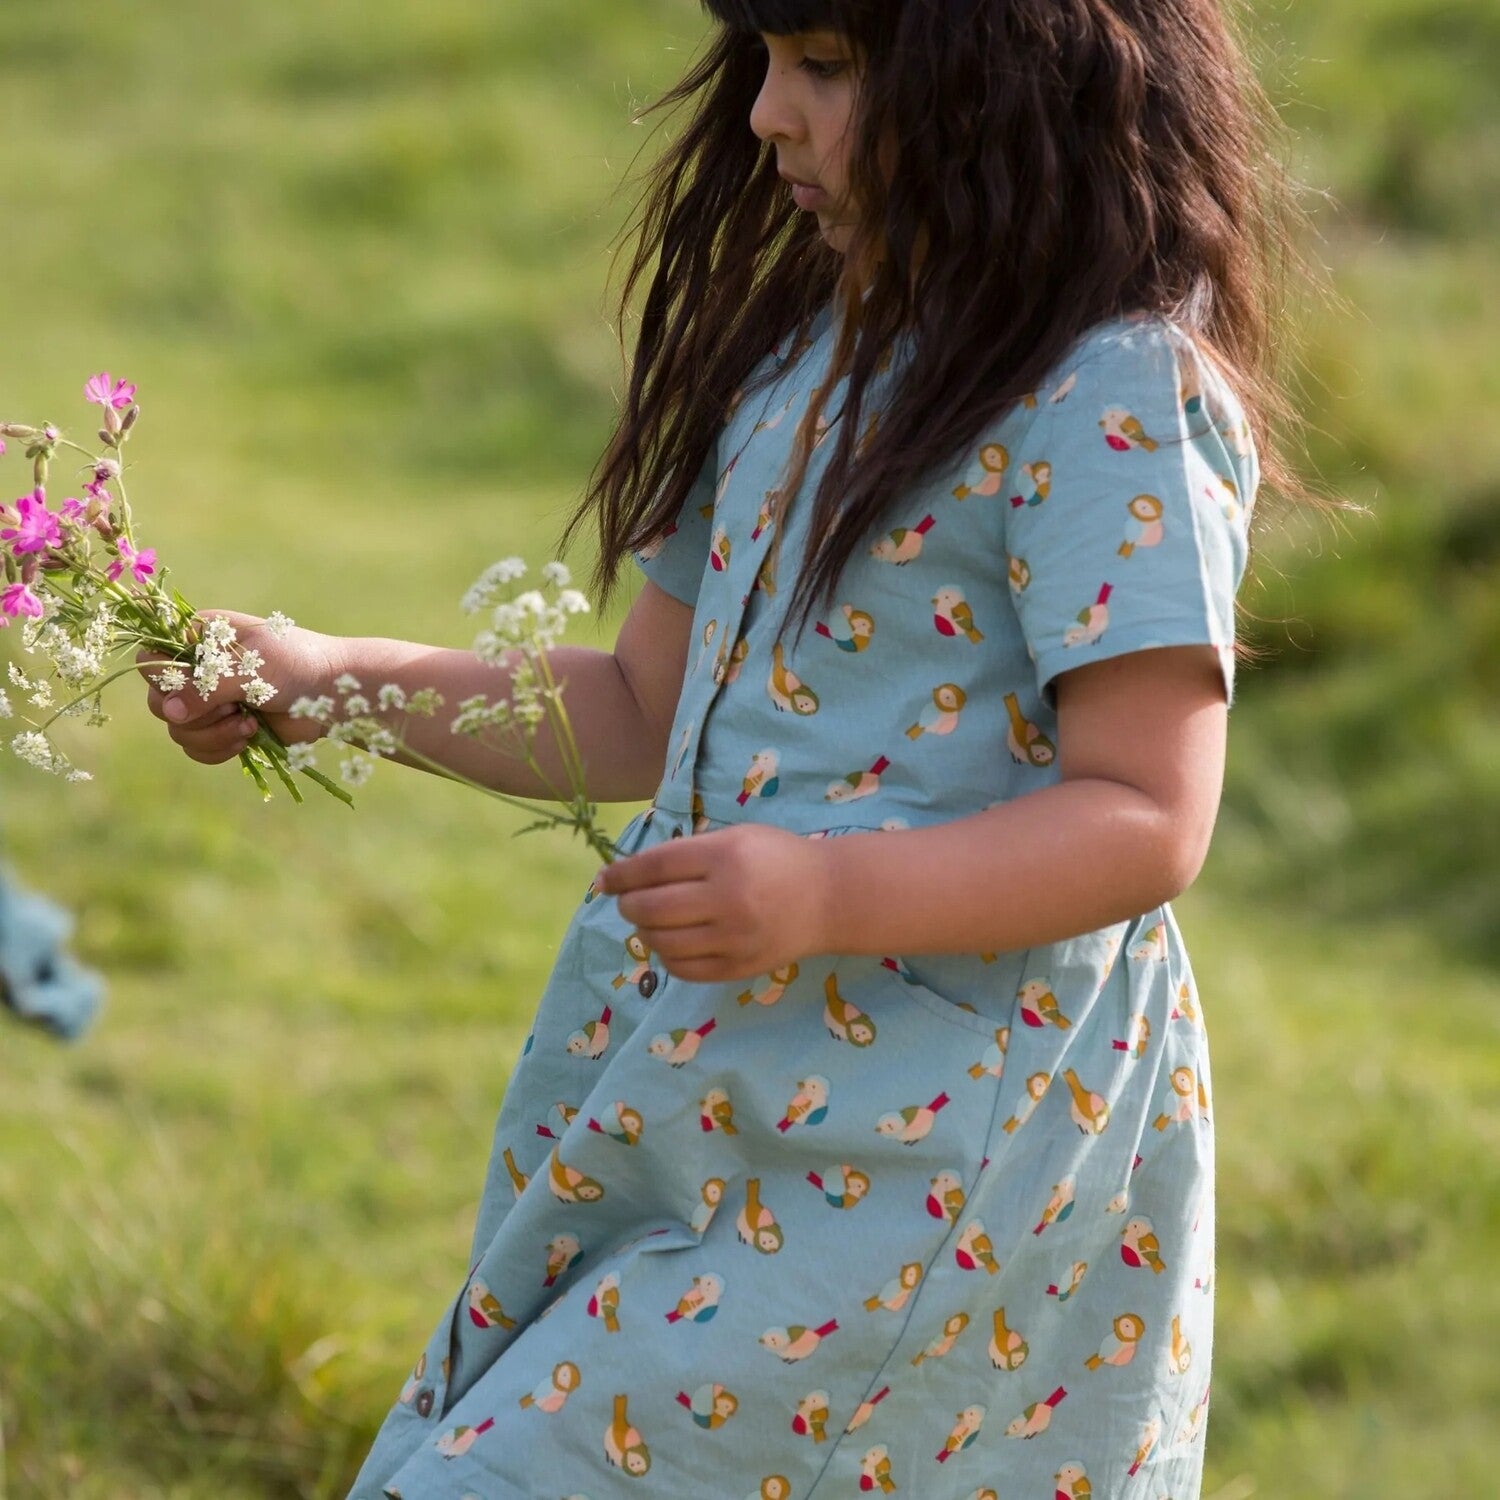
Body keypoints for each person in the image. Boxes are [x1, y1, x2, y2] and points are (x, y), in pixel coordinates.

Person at [140, 2, 1315, 1494]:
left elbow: (1149, 815)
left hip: (932, 1157)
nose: (765, 113)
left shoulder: (1110, 392)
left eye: (826, 65)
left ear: (1011, 77)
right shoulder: (802, 356)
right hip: (699, 1093)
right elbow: (641, 707)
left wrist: (823, 899)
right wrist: (327, 679)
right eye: (764, 56)